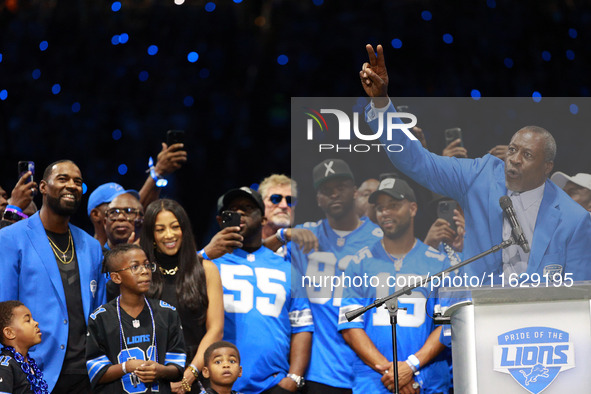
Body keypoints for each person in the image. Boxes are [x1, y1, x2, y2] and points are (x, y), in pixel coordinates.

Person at [359, 44, 591, 281]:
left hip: (539, 316)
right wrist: (382, 103)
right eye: (512, 150)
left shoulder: (574, 219)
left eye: (527, 155)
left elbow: (581, 297)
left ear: (547, 168)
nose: (515, 160)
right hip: (478, 309)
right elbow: (415, 160)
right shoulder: (480, 176)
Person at [0, 159, 107, 393]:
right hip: (33, 371)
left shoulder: (92, 246)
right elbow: (3, 310)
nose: (72, 185)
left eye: (77, 182)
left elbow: (99, 311)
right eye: (63, 179)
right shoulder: (10, 239)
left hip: (85, 373)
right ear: (42, 188)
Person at [338, 177, 451, 394]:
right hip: (375, 382)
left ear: (413, 208)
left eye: (393, 205)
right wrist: (393, 374)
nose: (385, 213)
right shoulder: (359, 262)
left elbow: (446, 325)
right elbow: (350, 326)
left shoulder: (439, 262)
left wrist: (411, 366)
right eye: (380, 208)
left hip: (426, 382)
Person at [291, 159, 382, 394]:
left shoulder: (380, 239)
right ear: (318, 199)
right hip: (322, 371)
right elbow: (257, 256)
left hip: (373, 368)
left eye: (340, 187)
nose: (334, 195)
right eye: (326, 191)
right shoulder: (303, 236)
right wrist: (284, 233)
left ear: (355, 191)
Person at [213, 186, 313, 394]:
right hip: (219, 385)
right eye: (233, 210)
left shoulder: (288, 267)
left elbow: (302, 326)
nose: (240, 213)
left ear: (263, 219)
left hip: (274, 385)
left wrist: (293, 378)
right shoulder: (208, 264)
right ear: (221, 220)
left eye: (248, 208)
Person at [141, 199, 224, 392]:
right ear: (150, 235)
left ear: (184, 230)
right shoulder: (142, 272)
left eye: (175, 227)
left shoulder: (206, 270)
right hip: (150, 374)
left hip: (196, 372)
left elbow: (216, 329)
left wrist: (189, 374)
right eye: (160, 229)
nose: (169, 235)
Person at [86, 244, 186, 393]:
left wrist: (161, 370)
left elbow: (177, 368)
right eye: (135, 267)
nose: (144, 271)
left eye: (147, 265)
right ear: (116, 277)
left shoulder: (167, 312)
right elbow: (97, 373)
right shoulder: (100, 318)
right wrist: (127, 367)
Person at [0, 300, 49, 394]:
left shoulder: (28, 364)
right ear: (9, 333)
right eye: (28, 320)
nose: (36, 323)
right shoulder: (5, 367)